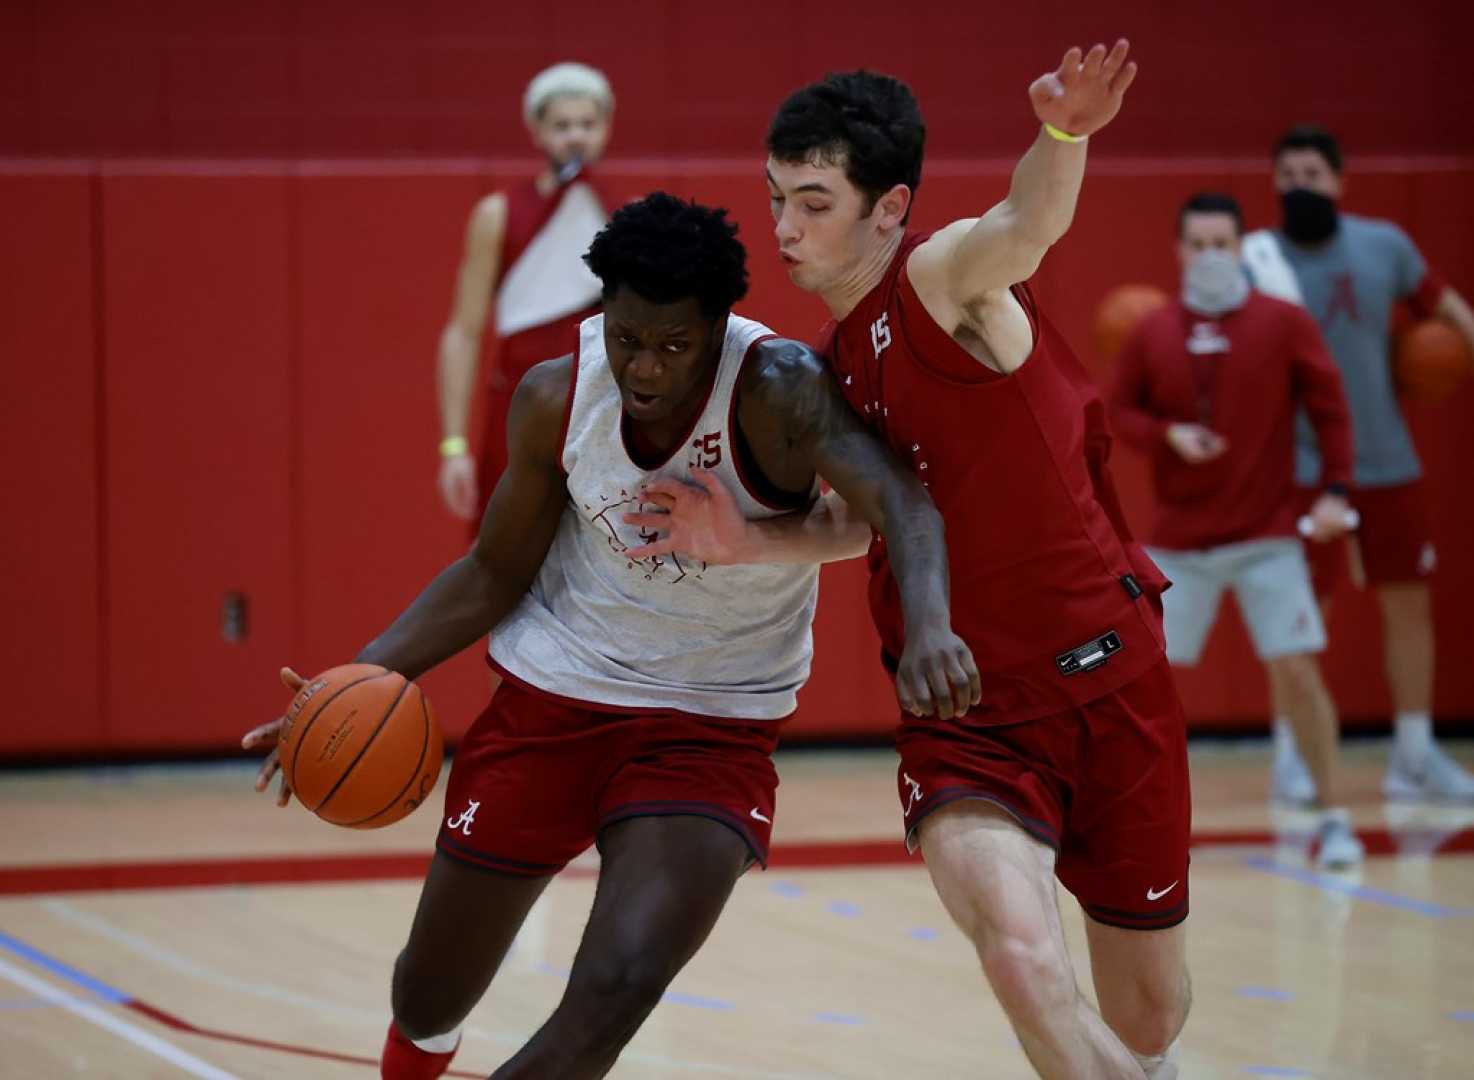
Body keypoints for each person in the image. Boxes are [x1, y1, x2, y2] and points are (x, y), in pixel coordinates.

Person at [243, 192, 978, 1080]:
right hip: (552, 703)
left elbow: (902, 498)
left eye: (673, 346)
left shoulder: (779, 389)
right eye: (628, 338)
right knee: (427, 991)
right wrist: (347, 681)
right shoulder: (556, 397)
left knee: (614, 993)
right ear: (602, 316)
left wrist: (933, 624)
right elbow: (491, 572)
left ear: (717, 326)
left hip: (712, 725)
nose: (646, 368)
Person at [637, 41, 1189, 1080]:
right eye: (775, 198)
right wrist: (743, 540)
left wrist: (1063, 132)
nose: (784, 228)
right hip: (967, 715)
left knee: (1147, 1018)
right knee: (1024, 965)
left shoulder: (939, 278)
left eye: (811, 201)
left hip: (1106, 673)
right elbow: (869, 520)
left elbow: (1026, 225)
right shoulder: (836, 360)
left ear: (887, 208)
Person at [1108, 191, 1363, 867]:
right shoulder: (1153, 327)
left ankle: (1334, 815)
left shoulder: (1283, 324)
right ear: (1179, 250)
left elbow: (1331, 406)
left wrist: (1337, 489)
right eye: (1198, 244)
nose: (1210, 255)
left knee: (1298, 669)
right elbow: (1117, 413)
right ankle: (1131, 819)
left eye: (1223, 243)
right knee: (1140, 681)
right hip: (1178, 543)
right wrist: (1169, 436)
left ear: (1241, 248)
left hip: (1266, 534)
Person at [1241, 125, 1474, 802]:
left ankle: (1413, 753)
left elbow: (1451, 314)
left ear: (1339, 181)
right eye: (1286, 174)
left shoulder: (1386, 247)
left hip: (1386, 458)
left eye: (1312, 172)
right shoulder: (1259, 262)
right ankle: (1295, 753)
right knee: (1299, 615)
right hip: (1301, 469)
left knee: (1408, 605)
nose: (1299, 184)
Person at [436, 62, 616, 530]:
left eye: (587, 124)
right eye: (561, 125)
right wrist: (454, 445)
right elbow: (464, 330)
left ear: (605, 130)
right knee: (506, 556)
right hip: (519, 411)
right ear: (536, 131)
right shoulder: (498, 214)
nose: (575, 136)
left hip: (600, 411)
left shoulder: (625, 216)